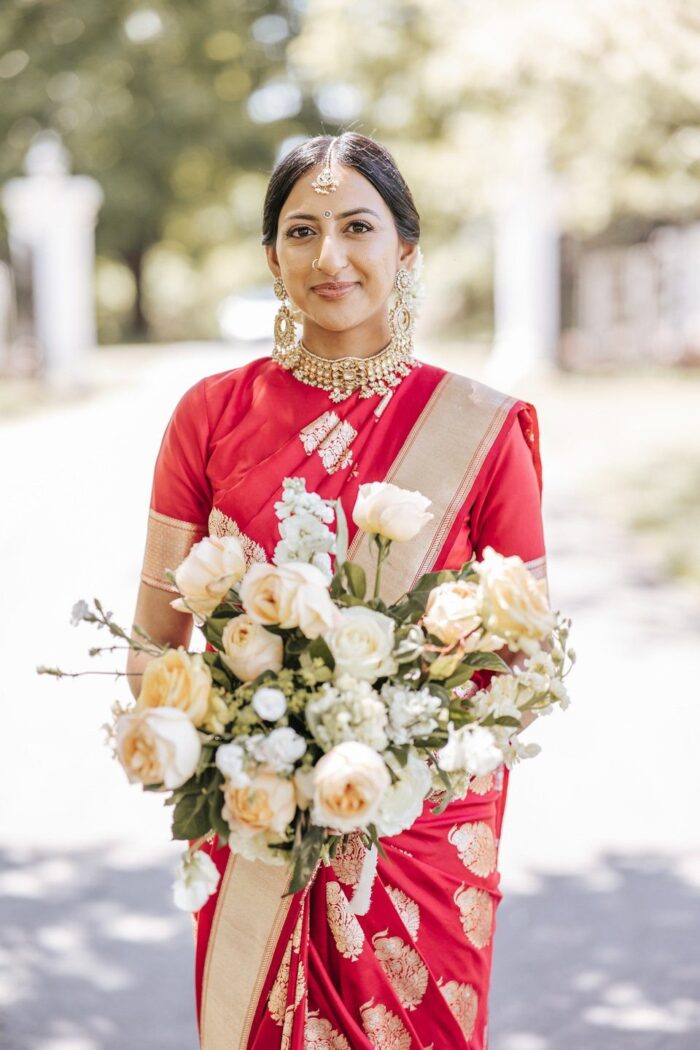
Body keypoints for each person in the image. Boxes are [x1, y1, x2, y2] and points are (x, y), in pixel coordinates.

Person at [127, 133, 548, 1050]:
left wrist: (389, 759)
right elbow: (155, 647)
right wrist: (244, 751)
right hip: (256, 820)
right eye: (301, 230)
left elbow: (527, 659)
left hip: (418, 830)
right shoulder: (211, 415)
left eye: (357, 226)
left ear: (405, 246)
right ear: (271, 256)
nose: (329, 256)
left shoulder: (479, 427)